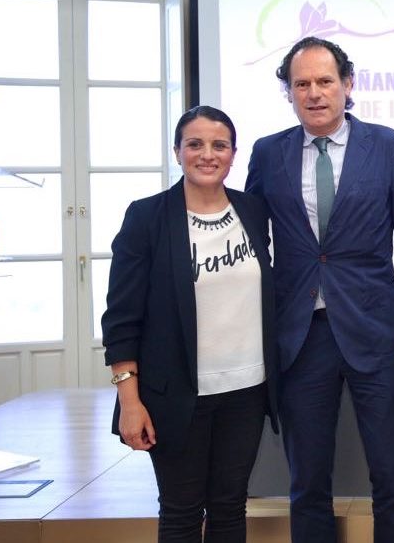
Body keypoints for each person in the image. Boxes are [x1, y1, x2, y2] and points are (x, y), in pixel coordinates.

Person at [245, 36, 394, 543]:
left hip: (380, 333)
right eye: (301, 84)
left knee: (393, 478)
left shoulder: (387, 146)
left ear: (348, 85)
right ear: (289, 92)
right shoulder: (268, 153)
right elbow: (254, 245)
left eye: (325, 81)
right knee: (306, 484)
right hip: (301, 339)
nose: (314, 93)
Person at [102, 105, 279, 543]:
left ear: (233, 154)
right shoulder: (146, 217)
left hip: (247, 391)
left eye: (219, 145)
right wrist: (130, 400)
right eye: (195, 144)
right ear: (177, 151)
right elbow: (122, 317)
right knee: (181, 514)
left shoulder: (253, 211)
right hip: (176, 395)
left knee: (230, 507)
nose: (207, 154)